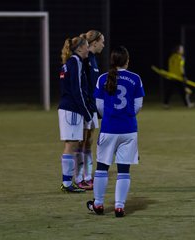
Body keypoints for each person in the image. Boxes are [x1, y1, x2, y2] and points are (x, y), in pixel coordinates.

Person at [86, 46, 145, 217]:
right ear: (127, 61)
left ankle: (98, 204)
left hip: (109, 129)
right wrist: (126, 116)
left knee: (102, 168)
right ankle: (119, 207)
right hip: (129, 129)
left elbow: (99, 106)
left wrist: (111, 116)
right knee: (124, 170)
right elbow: (138, 105)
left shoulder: (103, 78)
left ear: (112, 61)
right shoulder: (136, 78)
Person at [58, 36, 93, 193]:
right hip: (72, 109)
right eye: (86, 46)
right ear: (79, 48)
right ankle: (67, 184)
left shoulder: (69, 63)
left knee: (70, 145)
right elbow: (77, 89)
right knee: (71, 145)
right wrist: (86, 112)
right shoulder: (76, 62)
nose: (88, 49)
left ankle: (67, 182)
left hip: (67, 108)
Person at [74, 30, 105, 190]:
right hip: (85, 106)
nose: (103, 45)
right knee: (81, 141)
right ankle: (79, 177)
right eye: (102, 42)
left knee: (89, 141)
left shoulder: (92, 59)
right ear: (94, 43)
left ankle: (87, 176)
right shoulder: (84, 60)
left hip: (93, 106)